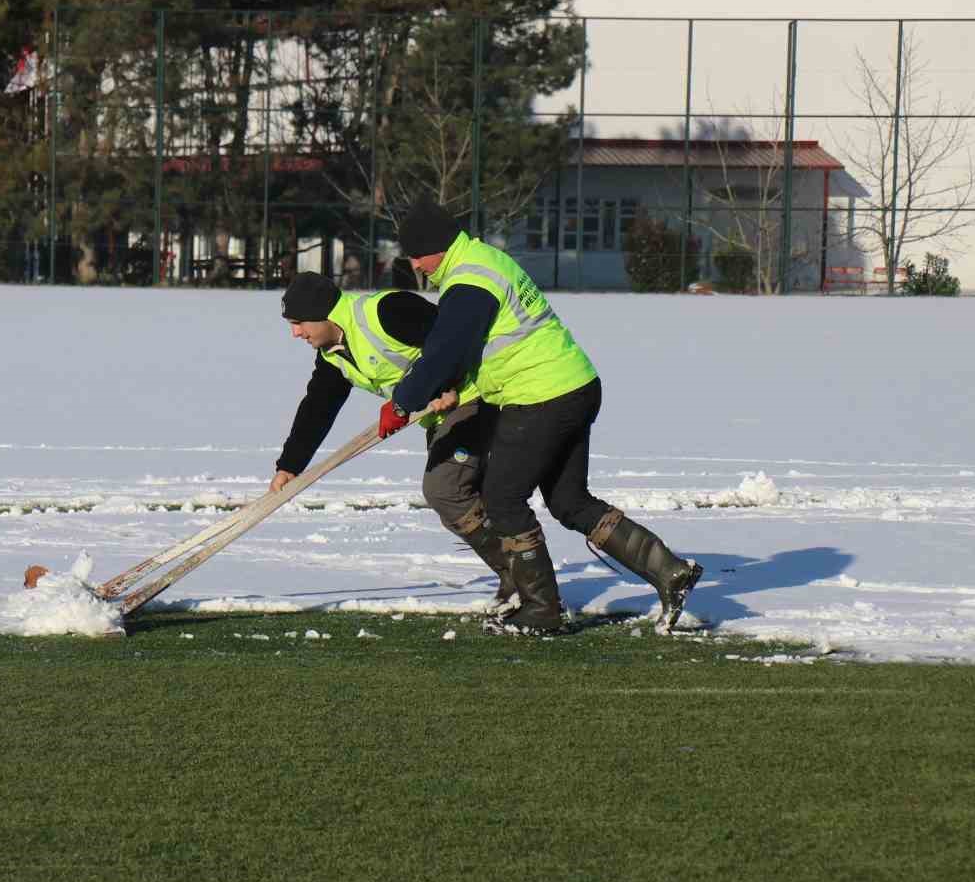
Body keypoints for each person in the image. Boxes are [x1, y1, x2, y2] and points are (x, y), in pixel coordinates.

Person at [381, 198, 702, 635]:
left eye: (417, 255)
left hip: (540, 395)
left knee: (503, 500)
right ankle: (670, 571)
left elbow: (444, 350)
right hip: (574, 384)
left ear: (437, 246)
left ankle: (542, 609)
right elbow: (464, 346)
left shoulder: (469, 279)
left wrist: (403, 400)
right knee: (570, 502)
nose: (416, 265)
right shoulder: (484, 261)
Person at [274, 271, 515, 612]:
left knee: (445, 490)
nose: (295, 333)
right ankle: (523, 575)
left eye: (299, 323)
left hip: (476, 398)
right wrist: (290, 465)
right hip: (439, 416)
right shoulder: (332, 355)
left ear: (322, 313)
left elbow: (452, 338)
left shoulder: (387, 311)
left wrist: (447, 385)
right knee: (464, 500)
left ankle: (522, 579)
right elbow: (318, 407)